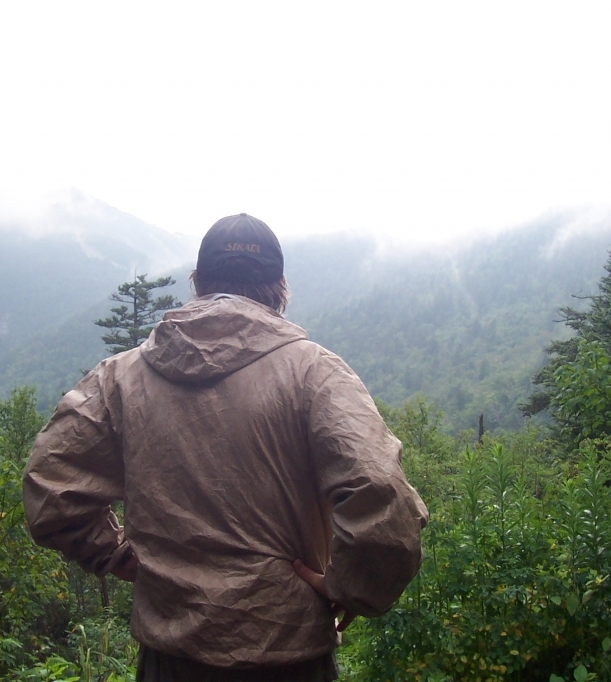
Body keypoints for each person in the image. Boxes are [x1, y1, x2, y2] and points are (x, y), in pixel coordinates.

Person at [23, 213, 429, 682]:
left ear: (197, 281)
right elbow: (382, 497)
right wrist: (352, 587)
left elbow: (51, 486)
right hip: (288, 653)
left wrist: (118, 556)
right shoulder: (315, 374)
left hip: (168, 658)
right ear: (280, 288)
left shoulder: (120, 377)